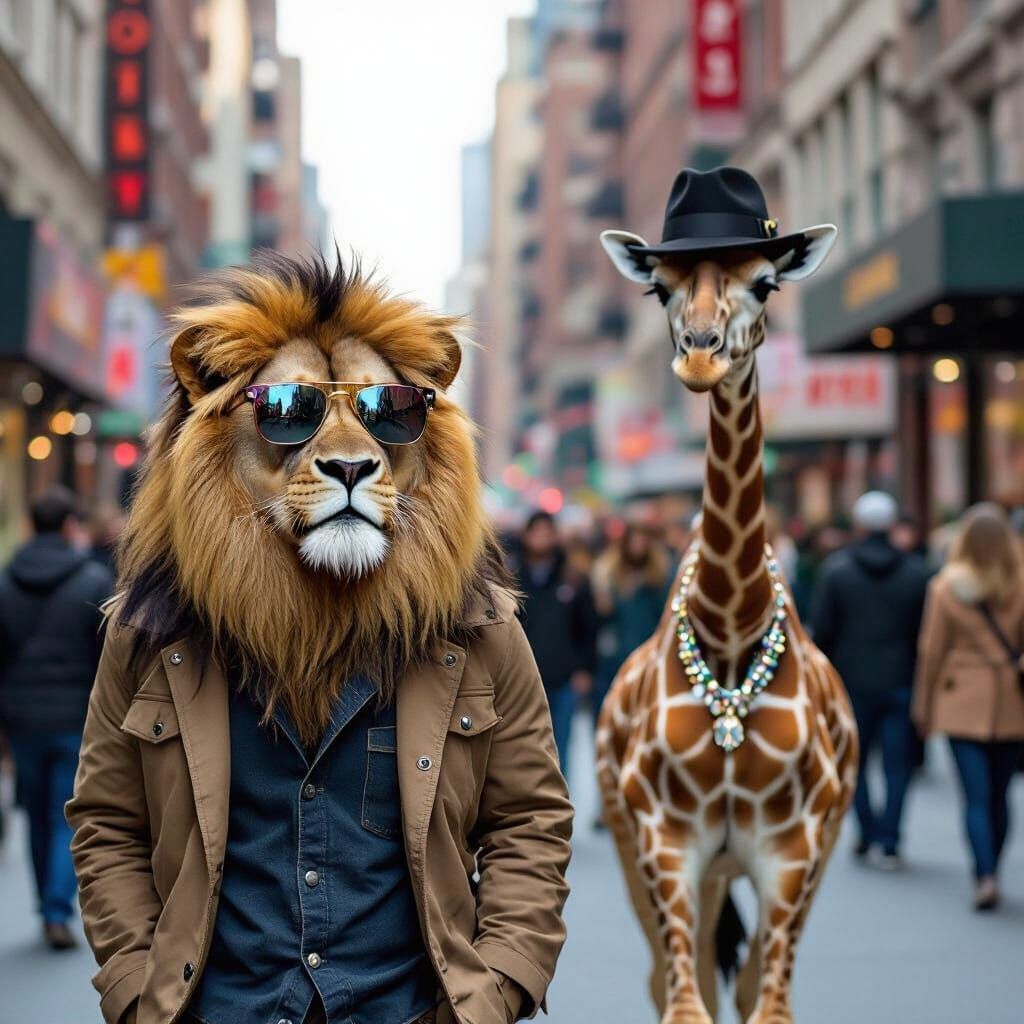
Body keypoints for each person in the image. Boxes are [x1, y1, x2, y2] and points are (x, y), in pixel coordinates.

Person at [66, 254, 571, 1024]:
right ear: (211, 425)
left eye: (387, 411)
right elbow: (107, 824)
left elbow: (529, 821)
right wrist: (139, 992)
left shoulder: (482, 632)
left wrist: (495, 990)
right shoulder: (147, 638)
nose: (347, 452)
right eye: (289, 412)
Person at [0, 486, 113, 949]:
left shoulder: (5, 582)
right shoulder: (92, 581)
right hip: (75, 716)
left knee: (36, 811)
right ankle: (55, 908)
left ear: (31, 525)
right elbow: (107, 657)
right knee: (65, 811)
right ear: (70, 526)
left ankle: (45, 902)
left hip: (21, 718)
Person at [913, 503, 1024, 911]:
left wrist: (922, 709)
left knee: (975, 797)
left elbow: (931, 652)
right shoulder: (1019, 583)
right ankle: (992, 863)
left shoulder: (945, 587)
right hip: (1012, 699)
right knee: (1000, 794)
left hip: (960, 700)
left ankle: (985, 873)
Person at [811, 491, 929, 868]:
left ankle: (867, 831)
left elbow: (823, 631)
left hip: (852, 681)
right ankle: (889, 838)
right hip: (900, 679)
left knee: (854, 763)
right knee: (897, 765)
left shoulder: (837, 571)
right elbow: (922, 633)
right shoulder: (916, 573)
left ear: (860, 525)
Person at [510, 511, 596, 776]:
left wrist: (583, 669)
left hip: (563, 680)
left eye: (547, 533)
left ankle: (559, 809)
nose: (541, 539)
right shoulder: (511, 577)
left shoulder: (573, 579)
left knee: (561, 750)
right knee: (523, 750)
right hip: (522, 681)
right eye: (536, 532)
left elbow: (589, 628)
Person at [591, 523, 670, 720]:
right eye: (633, 540)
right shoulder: (609, 574)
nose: (638, 545)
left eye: (642, 540)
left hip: (649, 655)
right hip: (615, 657)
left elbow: (665, 615)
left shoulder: (659, 576)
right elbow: (601, 616)